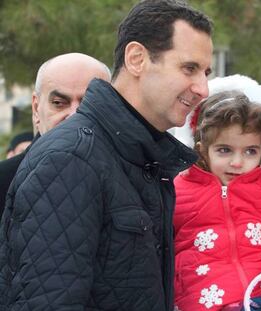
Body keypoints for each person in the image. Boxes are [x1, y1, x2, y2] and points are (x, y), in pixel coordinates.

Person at [0, 0, 213, 310]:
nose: (203, 88)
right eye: (189, 68)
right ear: (137, 58)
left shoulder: (141, 156)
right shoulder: (70, 159)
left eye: (205, 72)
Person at [173, 75, 261, 310]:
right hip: (199, 300)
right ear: (202, 150)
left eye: (250, 151)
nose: (237, 162)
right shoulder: (179, 188)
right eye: (224, 150)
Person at [0, 52, 110, 214]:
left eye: (89, 104)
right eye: (59, 103)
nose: (74, 115)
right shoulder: (3, 181)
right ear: (36, 108)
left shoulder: (134, 181)